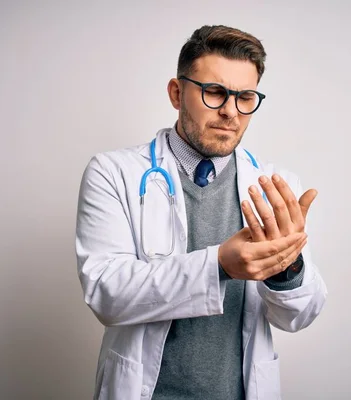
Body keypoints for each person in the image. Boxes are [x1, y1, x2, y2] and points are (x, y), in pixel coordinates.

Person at [75, 24, 327, 400]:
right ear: (177, 93)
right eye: (214, 92)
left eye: (245, 97)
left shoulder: (275, 186)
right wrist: (220, 265)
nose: (230, 112)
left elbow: (298, 316)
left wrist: (286, 268)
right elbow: (106, 293)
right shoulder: (113, 173)